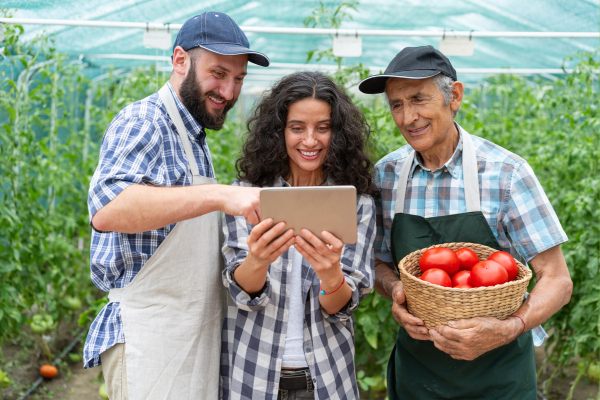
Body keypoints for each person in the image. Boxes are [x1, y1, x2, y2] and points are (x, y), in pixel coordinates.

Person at [358, 45, 573, 399]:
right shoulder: (386, 176)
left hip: (498, 376)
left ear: (454, 96)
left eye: (418, 99)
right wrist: (395, 288)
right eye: (397, 104)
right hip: (418, 376)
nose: (408, 117)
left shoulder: (506, 174)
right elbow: (378, 262)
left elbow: (557, 280)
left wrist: (508, 328)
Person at [83, 12, 269, 400]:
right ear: (180, 60)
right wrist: (219, 195)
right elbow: (109, 209)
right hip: (150, 338)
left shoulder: (193, 136)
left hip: (191, 334)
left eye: (238, 79)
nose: (229, 92)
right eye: (218, 73)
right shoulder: (144, 119)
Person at [220, 71, 377, 400]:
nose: (310, 140)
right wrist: (258, 260)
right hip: (254, 374)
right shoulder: (247, 196)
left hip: (326, 377)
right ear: (279, 131)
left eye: (323, 127)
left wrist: (331, 274)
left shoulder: (356, 203)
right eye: (297, 128)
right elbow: (241, 292)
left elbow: (341, 308)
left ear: (338, 132)